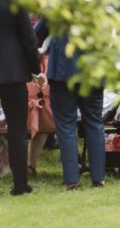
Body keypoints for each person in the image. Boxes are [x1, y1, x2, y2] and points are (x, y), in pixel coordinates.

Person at [34, 23, 106, 190]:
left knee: (66, 125)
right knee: (95, 123)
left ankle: (72, 179)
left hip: (62, 69)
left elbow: (38, 32)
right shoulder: (100, 0)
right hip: (93, 68)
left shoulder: (56, 2)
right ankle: (98, 177)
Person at [0, 0, 43, 196]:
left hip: (12, 72)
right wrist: (36, 69)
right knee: (17, 130)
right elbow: (28, 38)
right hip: (12, 72)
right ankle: (20, 184)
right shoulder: (13, 0)